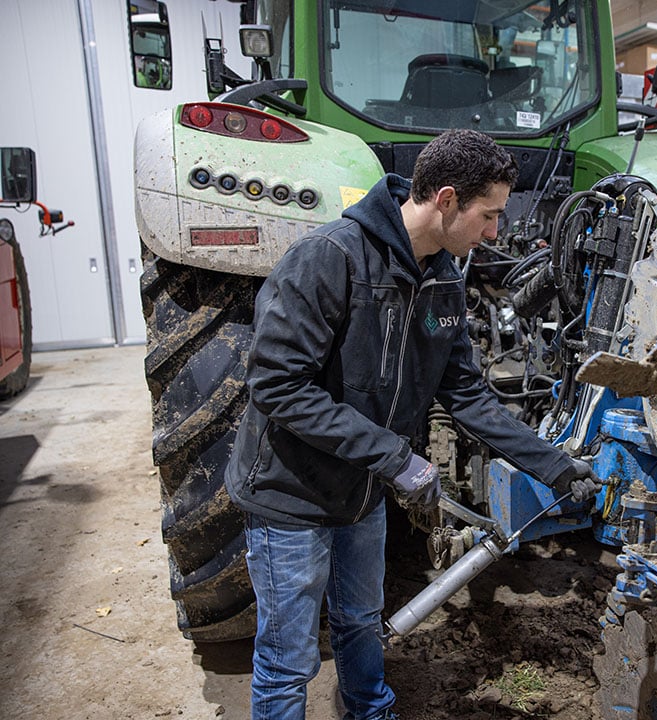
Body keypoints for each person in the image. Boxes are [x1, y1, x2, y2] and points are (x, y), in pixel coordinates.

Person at [225, 128, 598, 720]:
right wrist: (395, 457)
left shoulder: (444, 279)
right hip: (290, 493)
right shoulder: (331, 258)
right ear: (446, 200)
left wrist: (554, 466)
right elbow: (276, 385)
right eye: (489, 215)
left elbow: (467, 395)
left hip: (363, 489)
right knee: (289, 657)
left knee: (359, 621)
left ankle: (371, 712)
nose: (496, 232)